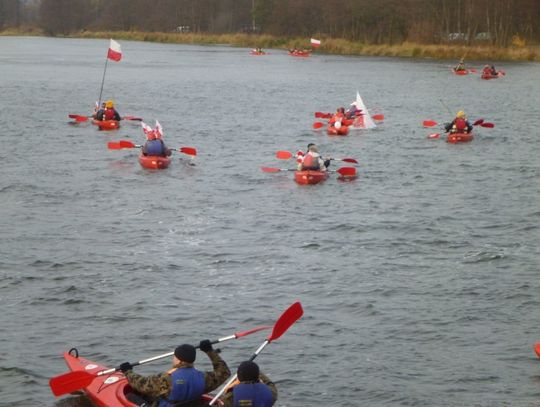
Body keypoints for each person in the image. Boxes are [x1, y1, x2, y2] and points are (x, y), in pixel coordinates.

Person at [118, 340, 231, 407]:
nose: (173, 359)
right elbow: (224, 372)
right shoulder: (204, 378)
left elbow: (140, 384)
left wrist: (128, 371)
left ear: (180, 361)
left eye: (175, 357)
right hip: (190, 404)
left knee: (130, 395)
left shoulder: (166, 379)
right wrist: (209, 351)